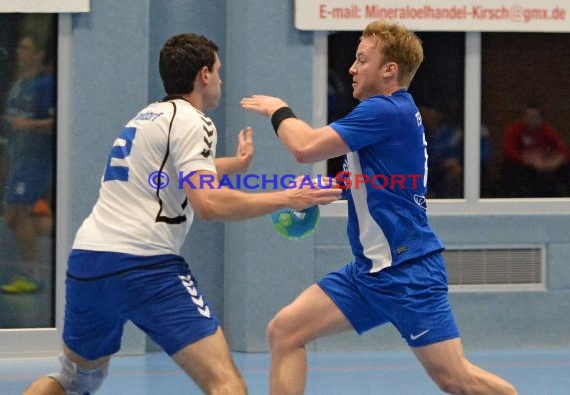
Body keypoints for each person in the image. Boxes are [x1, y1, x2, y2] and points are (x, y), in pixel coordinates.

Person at [23, 33, 341, 395]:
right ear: (204, 75)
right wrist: (287, 198)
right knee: (226, 384)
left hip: (89, 260)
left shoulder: (146, 117)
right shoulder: (194, 120)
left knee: (74, 379)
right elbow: (209, 205)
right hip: (146, 266)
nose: (221, 80)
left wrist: (237, 165)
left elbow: (168, 173)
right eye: (219, 72)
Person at [241, 20, 517, 394]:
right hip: (368, 272)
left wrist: (279, 110)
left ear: (389, 70)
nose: (352, 69)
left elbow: (304, 147)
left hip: (408, 272)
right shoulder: (389, 114)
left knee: (456, 379)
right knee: (285, 331)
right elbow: (382, 179)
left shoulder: (385, 110)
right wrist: (332, 186)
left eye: (362, 59)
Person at [1, 34, 56, 294]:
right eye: (19, 47)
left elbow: (55, 123)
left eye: (26, 47)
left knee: (17, 213)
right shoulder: (20, 84)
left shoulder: (46, 85)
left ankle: (32, 274)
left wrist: (27, 125)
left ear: (38, 54)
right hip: (19, 157)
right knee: (17, 217)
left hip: (36, 160)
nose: (20, 52)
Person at [501, 103, 570, 197]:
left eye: (534, 117)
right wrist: (528, 160)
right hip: (522, 165)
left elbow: (563, 150)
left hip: (544, 164)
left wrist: (555, 162)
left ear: (541, 119)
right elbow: (508, 150)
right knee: (510, 165)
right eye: (528, 117)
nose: (531, 120)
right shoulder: (514, 129)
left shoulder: (548, 130)